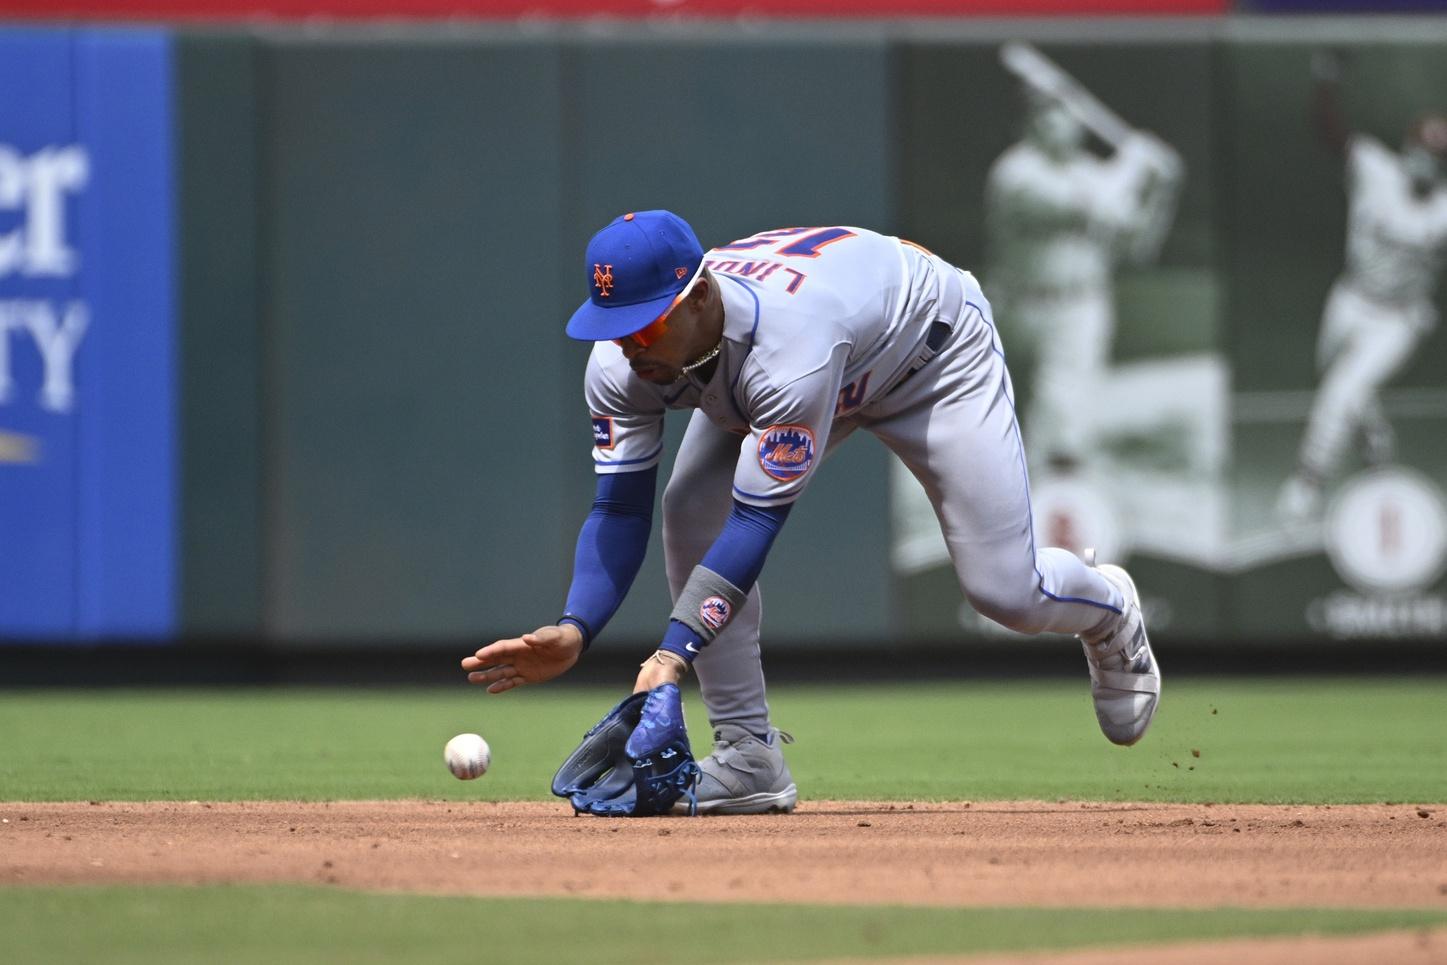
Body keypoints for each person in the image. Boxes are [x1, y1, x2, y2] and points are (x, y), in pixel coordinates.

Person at [462, 210, 1161, 815]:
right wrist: (574, 627)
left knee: (1004, 590)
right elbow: (618, 510)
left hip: (930, 357)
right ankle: (748, 757)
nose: (625, 343)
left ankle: (1108, 609)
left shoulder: (788, 353)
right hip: (791, 361)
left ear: (698, 296)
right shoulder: (623, 363)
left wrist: (671, 654)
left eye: (643, 326)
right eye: (612, 325)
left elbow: (755, 525)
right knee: (685, 505)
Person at [1278, 52, 1447, 522]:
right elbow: (1329, 133)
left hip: (1399, 318)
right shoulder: (1375, 169)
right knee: (1341, 385)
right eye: (1418, 151)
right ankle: (1374, 438)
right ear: (1405, 147)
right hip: (1350, 299)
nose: (1423, 164)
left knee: (1339, 393)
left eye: (1436, 159)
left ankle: (1307, 483)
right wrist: (1326, 85)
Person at [985, 87, 1182, 474]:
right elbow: (1101, 202)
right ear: (1028, 123)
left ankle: (1061, 489)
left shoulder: (1089, 171)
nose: (1061, 122)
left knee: (1066, 425)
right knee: (1001, 427)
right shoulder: (1016, 173)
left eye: (1066, 113)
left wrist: (1161, 192)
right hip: (1018, 309)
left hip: (1078, 308)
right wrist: (1136, 161)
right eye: (1048, 114)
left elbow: (1138, 245)